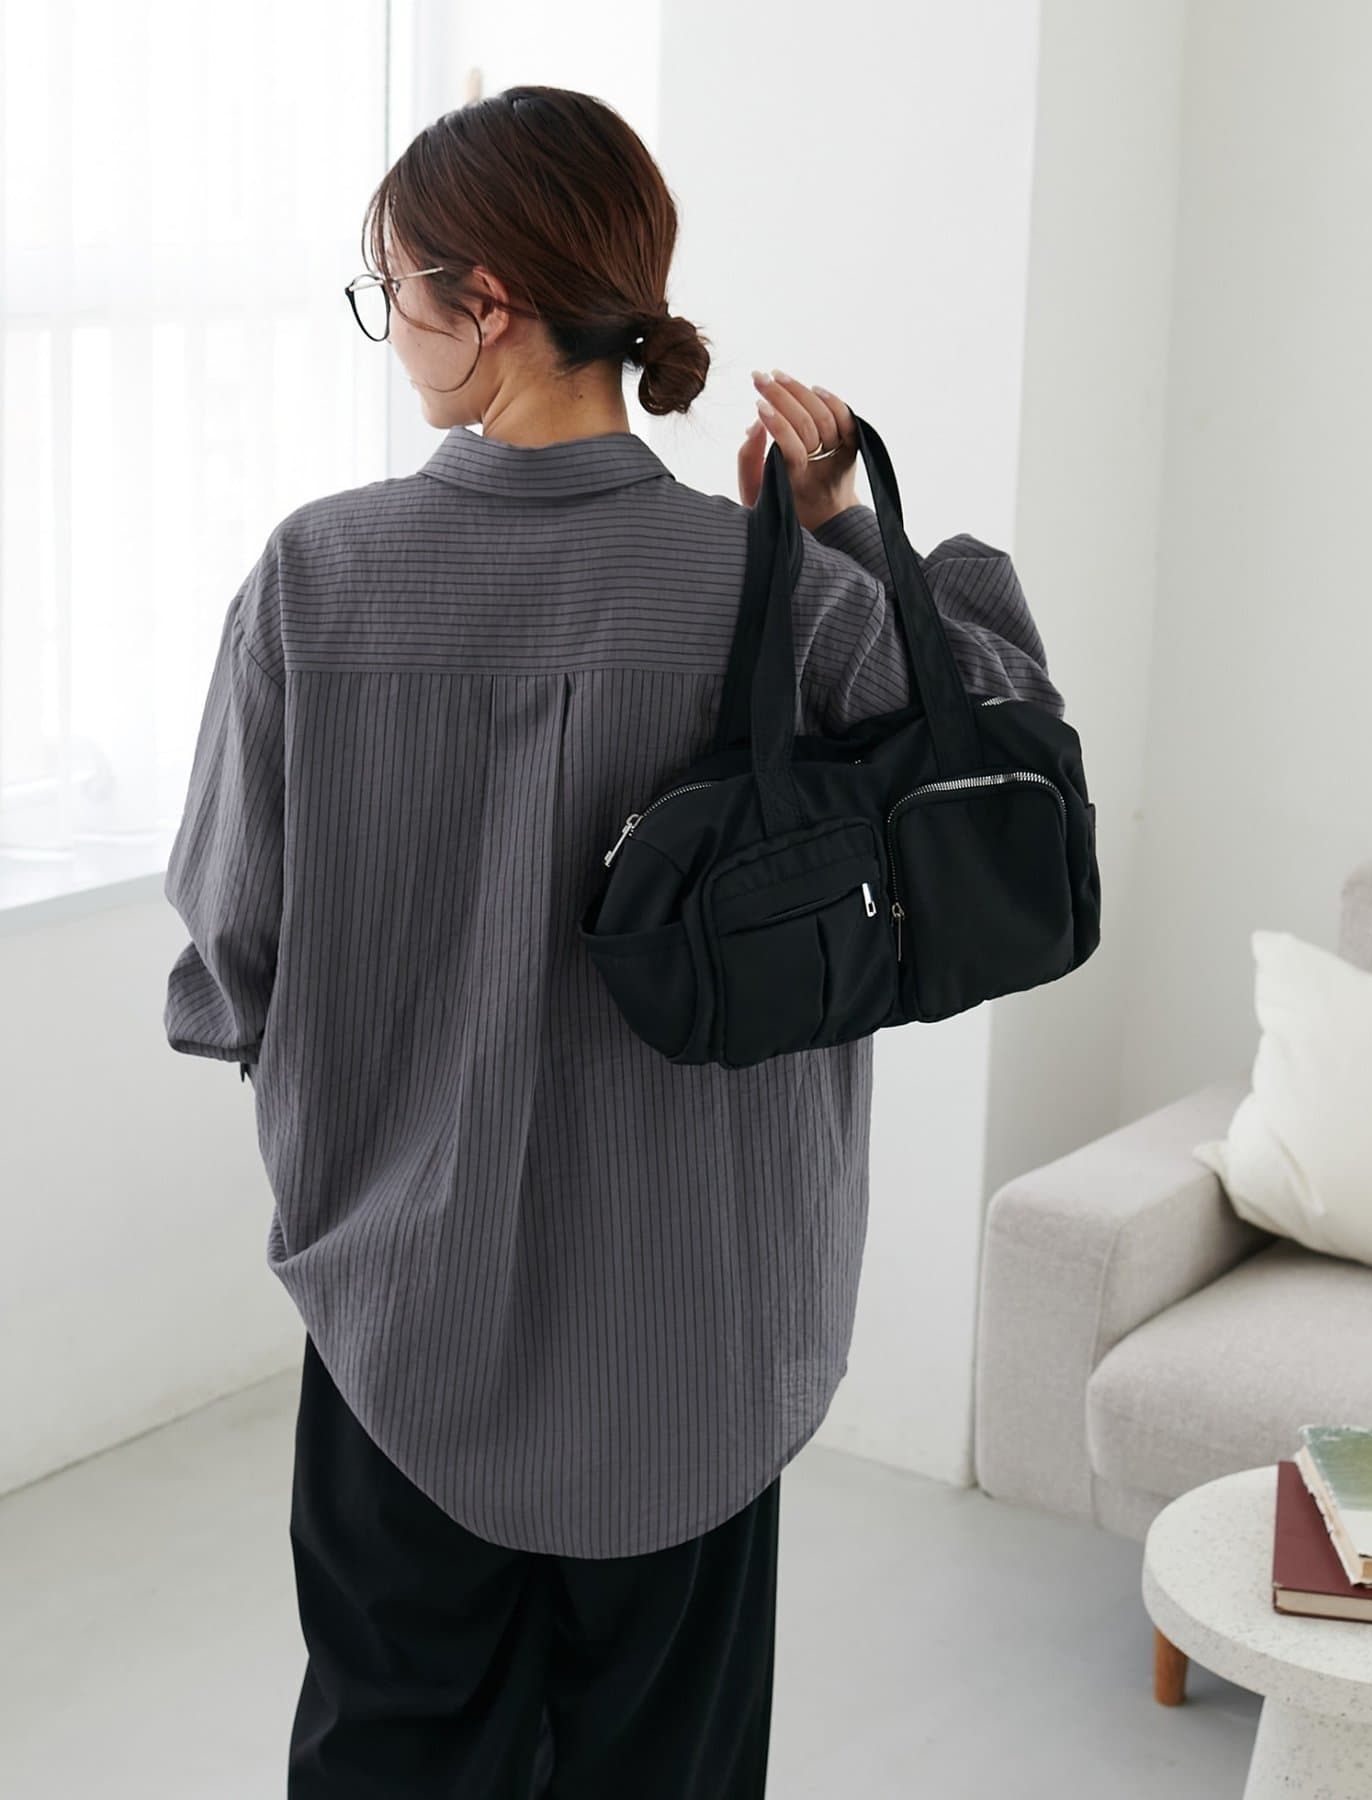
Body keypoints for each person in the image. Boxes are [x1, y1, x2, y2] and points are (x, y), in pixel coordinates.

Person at [161, 83, 1066, 1800]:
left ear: (487, 301)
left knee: (392, 1755)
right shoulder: (773, 595)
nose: (391, 324)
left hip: (404, 1317)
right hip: (703, 1331)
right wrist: (837, 530)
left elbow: (230, 955)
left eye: (394, 288)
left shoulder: (315, 580)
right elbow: (1008, 760)